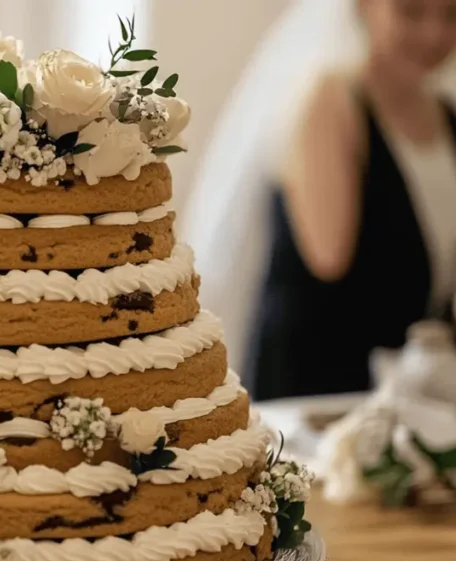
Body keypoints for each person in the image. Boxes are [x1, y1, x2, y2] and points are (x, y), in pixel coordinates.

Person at [182, 0, 456, 400]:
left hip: (403, 397)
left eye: (451, 15)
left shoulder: (447, 118)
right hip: (316, 392)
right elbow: (332, 261)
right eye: (411, 11)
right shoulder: (330, 103)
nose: (434, 34)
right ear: (365, 8)